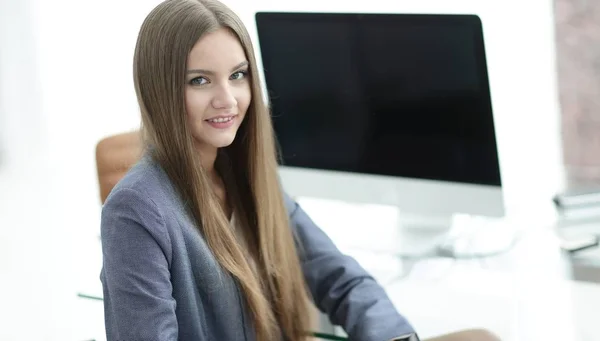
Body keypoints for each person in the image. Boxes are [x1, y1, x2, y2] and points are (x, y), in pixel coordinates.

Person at [99, 0, 501, 340]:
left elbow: (341, 279)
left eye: (238, 76)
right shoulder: (135, 210)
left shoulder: (245, 175)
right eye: (200, 80)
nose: (228, 99)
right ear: (160, 90)